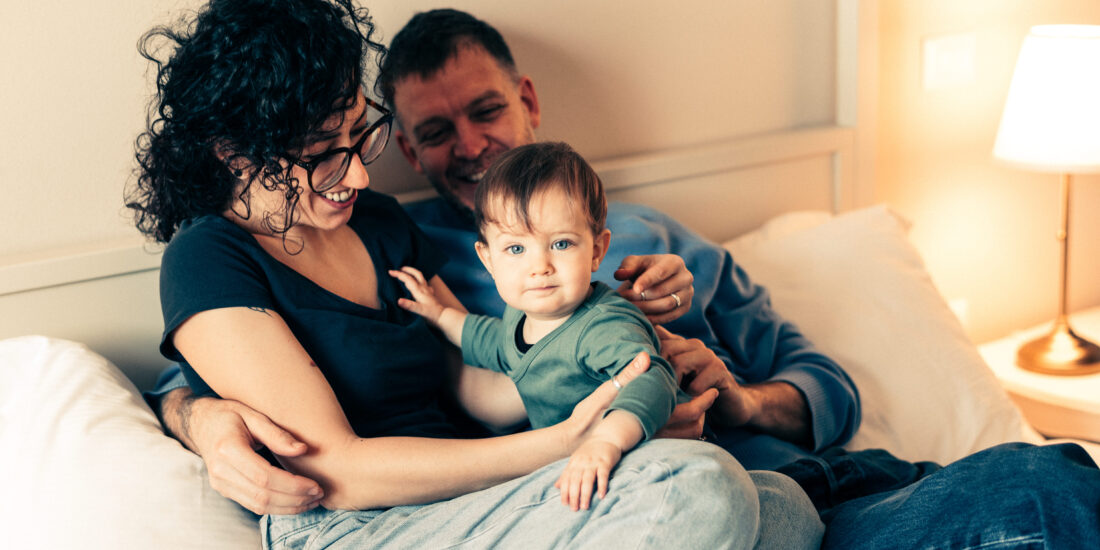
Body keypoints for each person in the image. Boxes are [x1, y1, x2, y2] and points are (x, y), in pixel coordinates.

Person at [145, 5, 1100, 549]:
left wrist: (717, 391)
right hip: (576, 490)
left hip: (795, 474)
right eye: (430, 133)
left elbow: (827, 385)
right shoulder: (429, 246)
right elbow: (255, 394)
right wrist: (191, 411)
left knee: (1049, 474)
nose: (358, 173)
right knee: (723, 492)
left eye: (356, 142)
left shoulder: (626, 235)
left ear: (527, 102)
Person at [128, 1, 824, 548]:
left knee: (785, 507)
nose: (360, 174)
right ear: (232, 154)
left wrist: (603, 364)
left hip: (470, 499)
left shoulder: (377, 222)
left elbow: (475, 383)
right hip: (361, 523)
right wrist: (566, 442)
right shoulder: (209, 257)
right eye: (321, 154)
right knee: (700, 489)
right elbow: (334, 470)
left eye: (355, 137)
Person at [393, 142, 690, 511]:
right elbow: (490, 341)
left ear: (597, 250)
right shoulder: (520, 314)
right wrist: (439, 315)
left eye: (561, 244)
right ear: (488, 259)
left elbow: (651, 378)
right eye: (516, 249)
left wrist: (606, 442)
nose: (540, 266)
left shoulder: (603, 325)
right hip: (578, 462)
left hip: (641, 452)